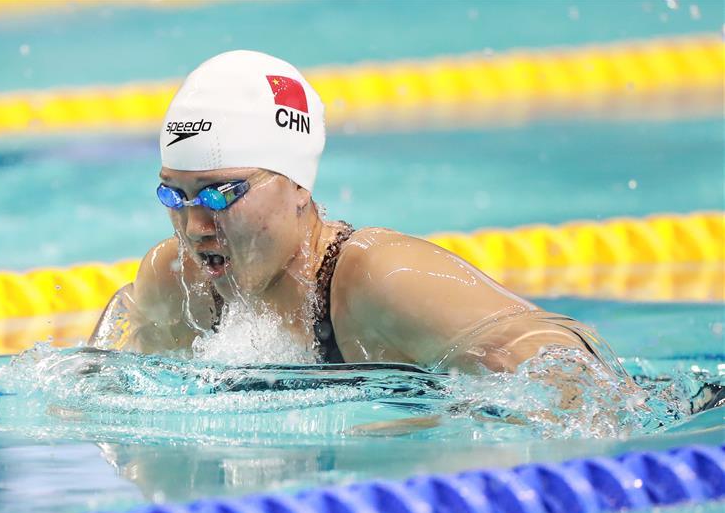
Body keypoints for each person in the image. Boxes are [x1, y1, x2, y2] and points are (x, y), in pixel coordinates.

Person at [90, 50, 622, 378]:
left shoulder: (381, 279)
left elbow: (563, 363)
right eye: (175, 196)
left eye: (219, 194)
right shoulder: (175, 282)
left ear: (298, 184)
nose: (194, 227)